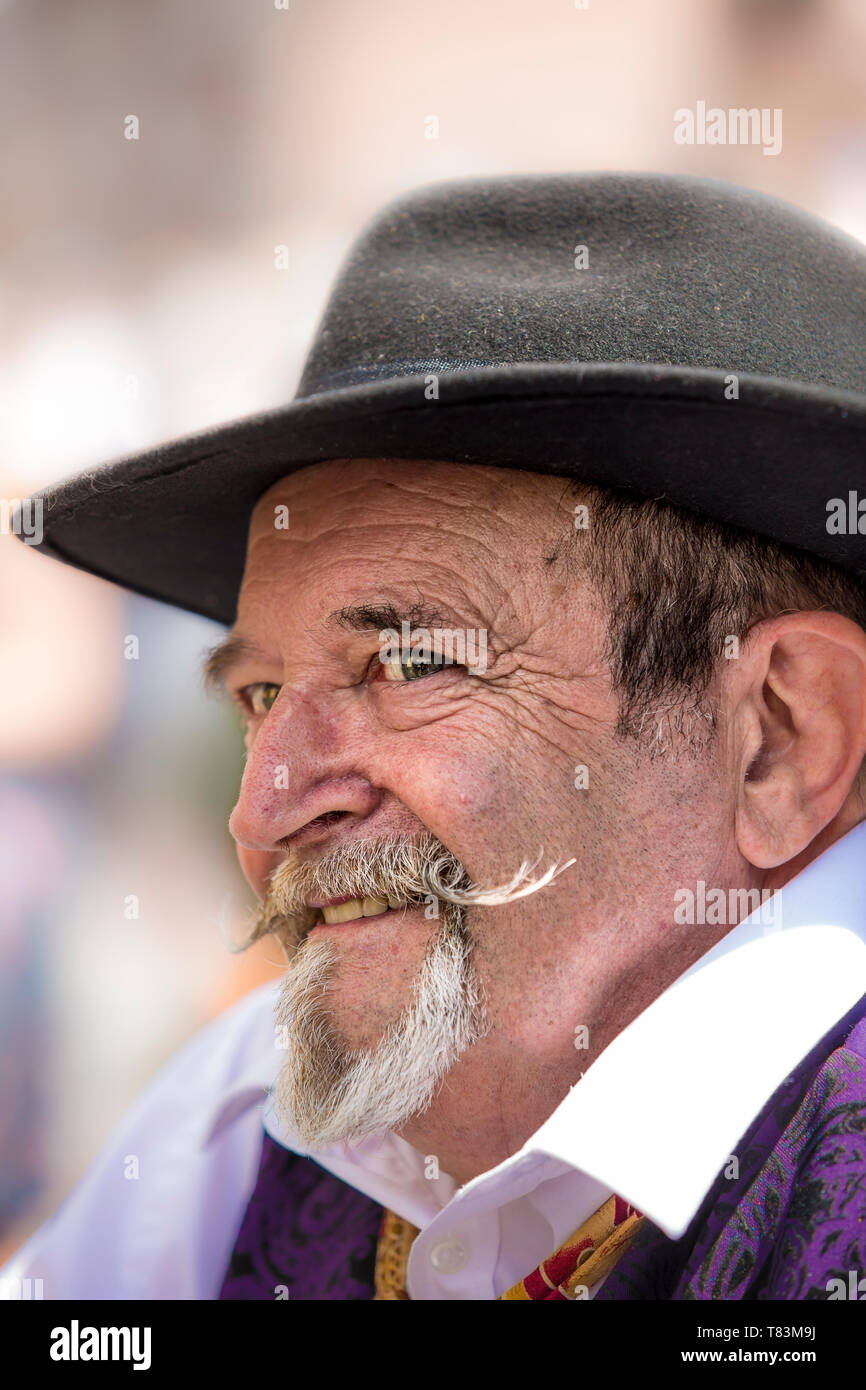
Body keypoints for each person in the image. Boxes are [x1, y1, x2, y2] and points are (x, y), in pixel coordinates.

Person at [3, 172, 865, 1301]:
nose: (262, 810)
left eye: (407, 663)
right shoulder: (232, 1124)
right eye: (259, 695)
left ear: (777, 735)